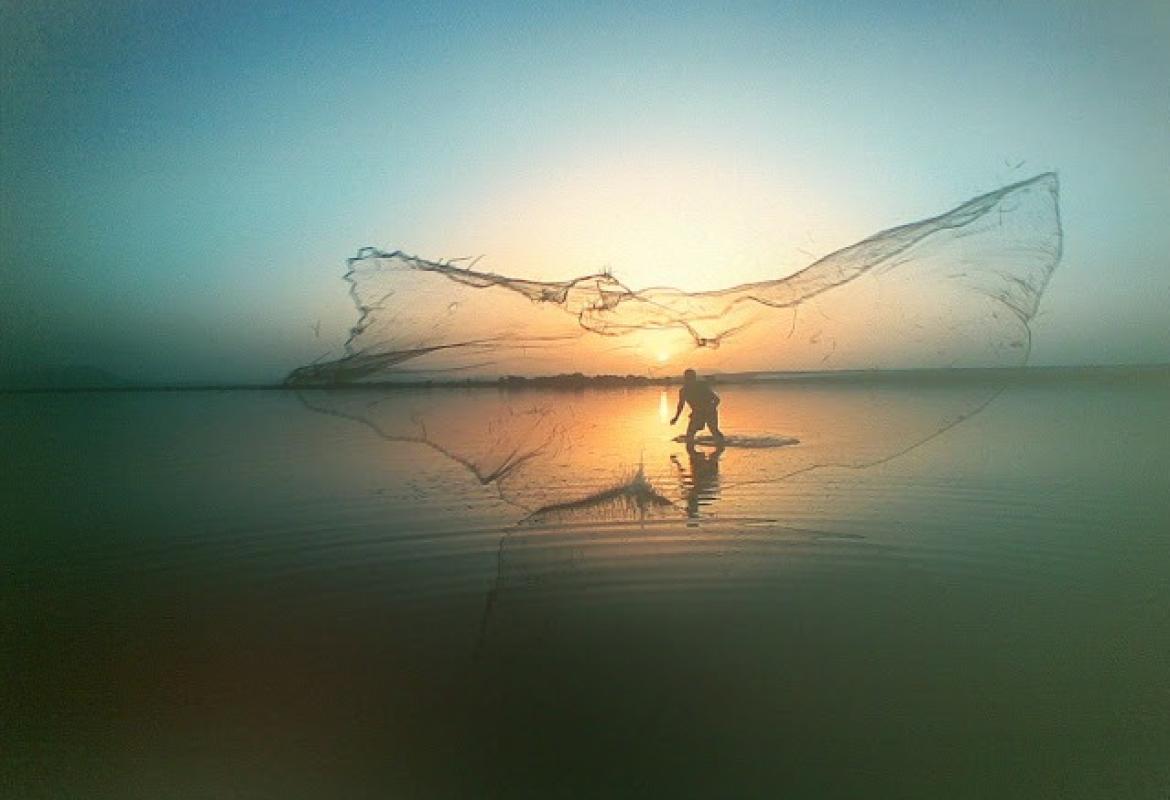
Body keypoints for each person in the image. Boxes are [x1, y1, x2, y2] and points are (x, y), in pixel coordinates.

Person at [669, 369, 725, 443]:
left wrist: (710, 408)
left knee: (714, 431)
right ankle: (695, 453)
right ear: (685, 378)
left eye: (691, 378)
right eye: (687, 378)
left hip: (710, 412)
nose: (689, 380)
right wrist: (676, 418)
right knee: (690, 435)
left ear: (695, 378)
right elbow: (681, 405)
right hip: (697, 414)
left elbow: (717, 400)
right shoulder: (683, 391)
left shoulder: (702, 387)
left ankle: (721, 445)